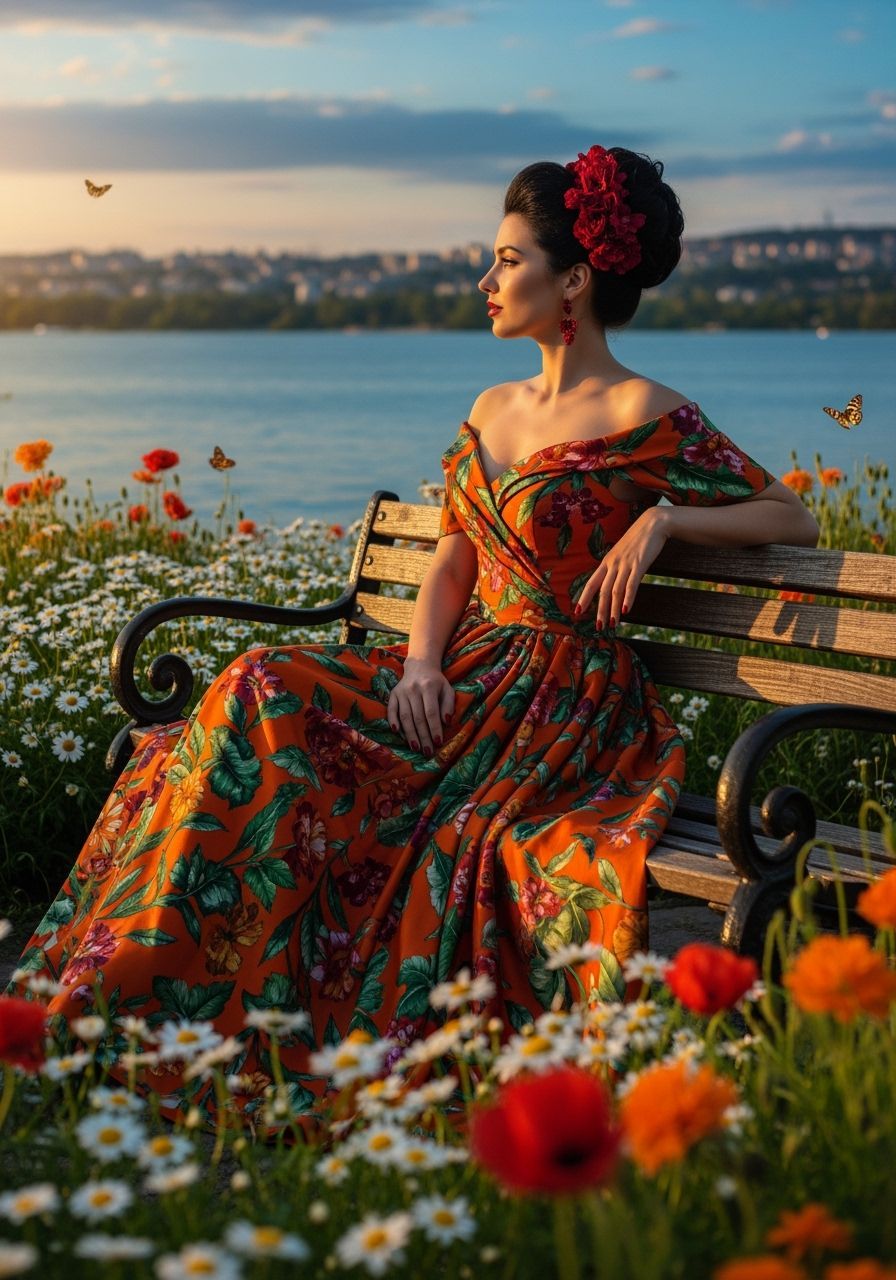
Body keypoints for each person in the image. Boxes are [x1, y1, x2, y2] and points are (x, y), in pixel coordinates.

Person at [11, 145, 818, 1125]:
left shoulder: (646, 413)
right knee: (260, 685)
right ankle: (134, 989)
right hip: (462, 670)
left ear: (573, 280)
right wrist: (422, 661)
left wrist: (665, 520)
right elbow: (450, 558)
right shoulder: (492, 407)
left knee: (342, 758)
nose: (485, 281)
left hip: (557, 704)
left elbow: (790, 516)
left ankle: (170, 1007)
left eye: (507, 261)